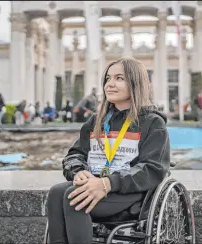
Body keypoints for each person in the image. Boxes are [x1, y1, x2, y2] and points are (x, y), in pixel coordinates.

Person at [46, 58, 170, 244]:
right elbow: (75, 154)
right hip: (96, 181)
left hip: (129, 192)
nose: (110, 84)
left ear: (136, 83)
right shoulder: (97, 120)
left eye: (119, 78)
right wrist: (79, 172)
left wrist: (107, 183)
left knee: (76, 199)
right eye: (107, 78)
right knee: (56, 193)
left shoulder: (152, 123)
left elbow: (152, 168)